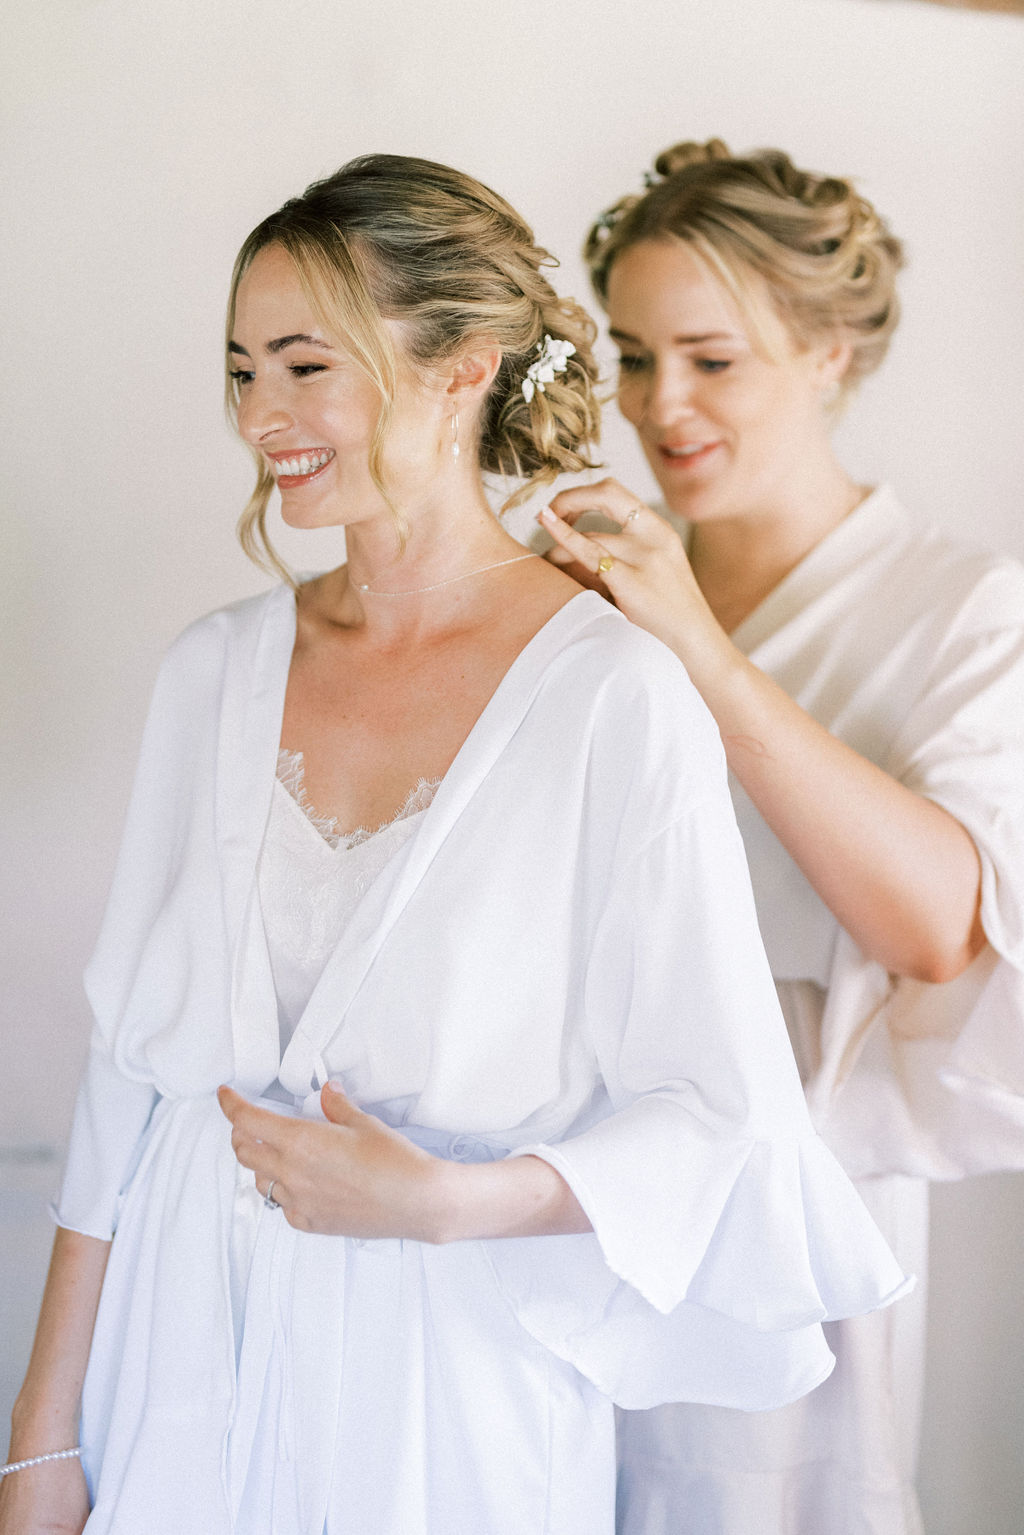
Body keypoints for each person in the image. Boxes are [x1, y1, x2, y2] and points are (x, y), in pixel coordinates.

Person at [1, 153, 909, 1535]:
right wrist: (42, 1443)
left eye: (307, 366)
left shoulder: (613, 692)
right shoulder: (215, 674)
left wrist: (452, 1204)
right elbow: (125, 1083)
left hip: (457, 1398)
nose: (264, 416)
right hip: (178, 1363)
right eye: (243, 370)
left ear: (461, 368)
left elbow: (719, 1113)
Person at [539, 139, 1024, 1535]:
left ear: (826, 354)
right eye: (631, 359)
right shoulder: (584, 599)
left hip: (788, 1219)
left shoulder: (962, 609)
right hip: (553, 1193)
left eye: (711, 359)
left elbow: (940, 927)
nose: (658, 406)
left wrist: (702, 654)